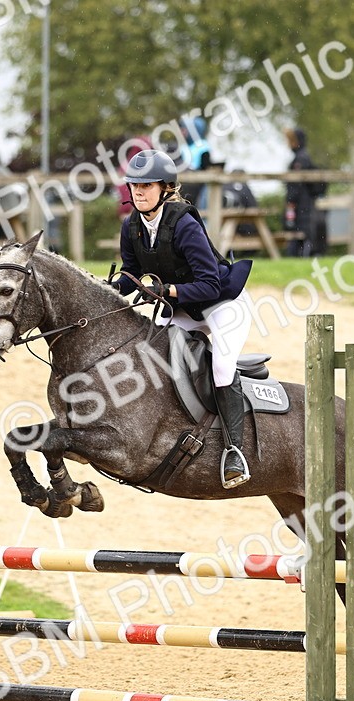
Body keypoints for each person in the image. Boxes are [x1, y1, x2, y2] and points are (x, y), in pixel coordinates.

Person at [111, 149, 254, 489]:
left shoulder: (184, 224)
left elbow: (210, 284)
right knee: (156, 356)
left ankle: (235, 451)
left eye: (148, 185)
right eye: (135, 186)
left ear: (165, 188)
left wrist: (167, 290)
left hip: (223, 307)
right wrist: (104, 289)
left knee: (221, 367)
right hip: (185, 312)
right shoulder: (131, 226)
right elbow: (131, 275)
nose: (139, 192)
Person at [282, 127, 326, 257]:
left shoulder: (300, 159)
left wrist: (290, 201)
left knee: (301, 235)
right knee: (301, 234)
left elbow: (295, 187)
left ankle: (302, 257)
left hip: (301, 205)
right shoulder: (303, 157)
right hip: (304, 204)